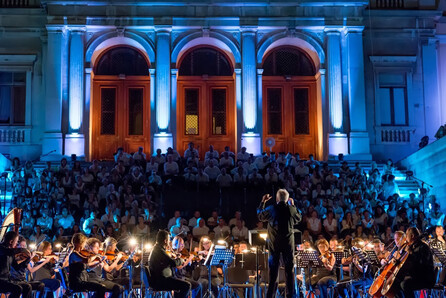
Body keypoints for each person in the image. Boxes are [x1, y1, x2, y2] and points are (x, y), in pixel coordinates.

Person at [257, 189, 302, 298]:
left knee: (273, 273)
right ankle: (290, 295)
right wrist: (293, 205)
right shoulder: (291, 209)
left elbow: (260, 216)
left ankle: (270, 296)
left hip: (274, 244)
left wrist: (263, 202)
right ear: (287, 199)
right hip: (288, 244)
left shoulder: (271, 208)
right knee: (289, 272)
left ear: (277, 198)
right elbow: (299, 218)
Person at [387, 227, 436, 298]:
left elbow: (421, 266)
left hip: (425, 278)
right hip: (414, 276)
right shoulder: (410, 247)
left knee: (405, 284)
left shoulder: (423, 247)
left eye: (406, 235)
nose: (405, 238)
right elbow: (404, 262)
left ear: (412, 236)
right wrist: (396, 261)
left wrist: (410, 253)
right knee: (395, 283)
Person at [148, 230, 191, 298]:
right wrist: (181, 259)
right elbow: (173, 263)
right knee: (187, 285)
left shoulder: (157, 249)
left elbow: (168, 261)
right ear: (165, 241)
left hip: (161, 279)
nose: (169, 242)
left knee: (181, 285)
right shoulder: (159, 251)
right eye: (168, 240)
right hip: (162, 281)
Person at [0, 231, 32, 298]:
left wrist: (27, 260)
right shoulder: (1, 248)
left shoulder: (11, 252)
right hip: (1, 281)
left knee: (27, 287)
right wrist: (23, 250)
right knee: (17, 289)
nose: (16, 243)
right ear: (11, 242)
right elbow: (8, 252)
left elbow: (16, 267)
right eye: (16, 241)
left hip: (8, 280)